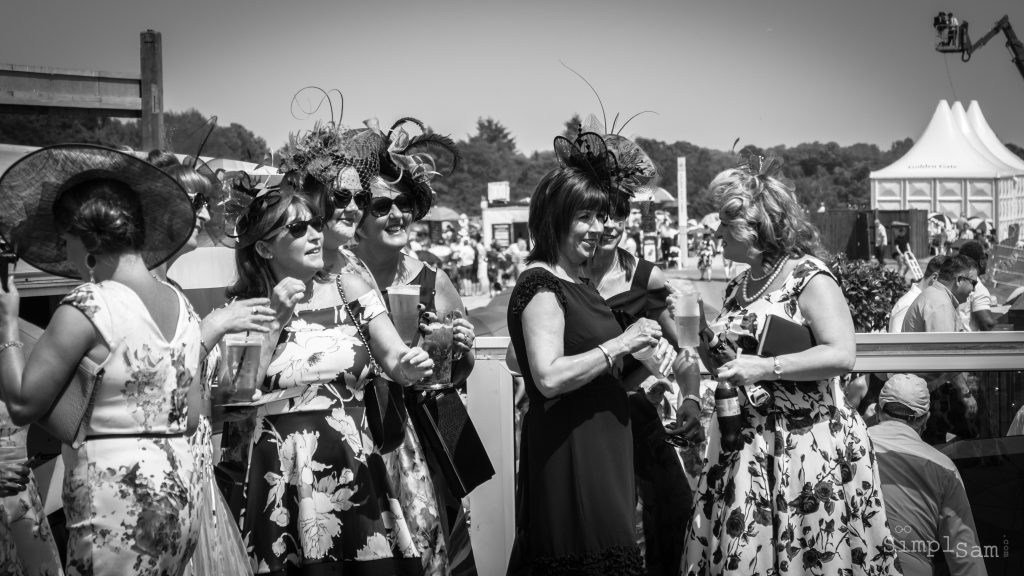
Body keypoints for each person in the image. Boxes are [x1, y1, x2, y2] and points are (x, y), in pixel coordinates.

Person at [682, 155, 901, 574]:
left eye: (726, 225)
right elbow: (737, 361)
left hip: (807, 446)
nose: (717, 233)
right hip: (745, 445)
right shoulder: (737, 284)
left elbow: (841, 354)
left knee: (812, 552)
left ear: (756, 230)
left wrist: (764, 368)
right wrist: (716, 351)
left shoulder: (809, 276)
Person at [0, 145, 204, 575]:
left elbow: (21, 404)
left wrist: (6, 323)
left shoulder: (90, 305)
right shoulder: (182, 306)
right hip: (179, 490)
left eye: (65, 241)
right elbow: (189, 418)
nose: (66, 253)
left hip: (117, 498)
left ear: (86, 239)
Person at [227, 187, 435, 574]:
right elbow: (237, 394)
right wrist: (275, 319)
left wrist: (411, 366)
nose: (315, 235)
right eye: (299, 228)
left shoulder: (349, 288)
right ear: (265, 249)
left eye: (316, 224)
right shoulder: (243, 309)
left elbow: (392, 357)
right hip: (283, 473)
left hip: (353, 461)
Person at [506, 131, 664, 575]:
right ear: (555, 218)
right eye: (585, 217)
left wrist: (643, 369)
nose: (598, 229)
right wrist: (621, 342)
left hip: (605, 451)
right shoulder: (540, 283)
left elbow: (603, 374)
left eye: (602, 216)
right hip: (570, 453)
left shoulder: (579, 281)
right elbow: (549, 378)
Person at [349, 118, 479, 575]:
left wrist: (461, 348)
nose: (397, 214)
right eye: (382, 205)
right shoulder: (331, 285)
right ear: (354, 218)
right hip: (361, 435)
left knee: (439, 545)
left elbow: (456, 374)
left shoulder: (433, 279)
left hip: (426, 434)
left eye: (405, 202)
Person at [577, 132, 697, 576]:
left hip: (634, 414)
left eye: (619, 214)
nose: (610, 225)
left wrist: (690, 396)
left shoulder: (646, 277)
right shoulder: (558, 275)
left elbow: (687, 348)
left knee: (673, 508)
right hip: (579, 422)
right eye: (599, 214)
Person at [868, 374, 988, 576]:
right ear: (925, 419)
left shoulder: (850, 450)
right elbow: (966, 556)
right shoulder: (944, 468)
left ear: (879, 412)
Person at [901, 255, 979, 334]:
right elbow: (943, 345)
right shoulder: (941, 304)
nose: (974, 289)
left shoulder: (934, 295)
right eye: (973, 283)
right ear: (959, 280)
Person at [889, 255, 946, 333]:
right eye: (948, 283)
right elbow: (898, 342)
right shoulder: (909, 305)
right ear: (934, 278)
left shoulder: (925, 301)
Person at [955, 241, 997, 331]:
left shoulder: (955, 280)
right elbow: (987, 324)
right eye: (986, 257)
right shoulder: (978, 288)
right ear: (981, 261)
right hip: (969, 342)